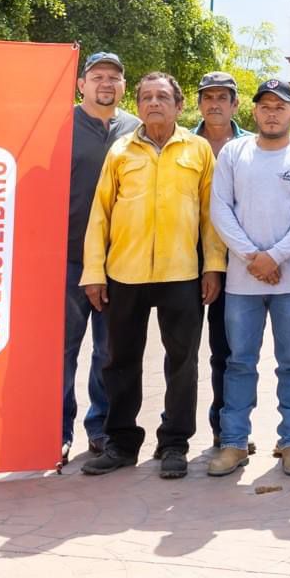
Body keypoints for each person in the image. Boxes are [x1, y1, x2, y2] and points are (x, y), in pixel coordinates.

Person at [80, 72, 225, 479]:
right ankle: (121, 443)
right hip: (124, 272)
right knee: (119, 360)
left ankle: (174, 443)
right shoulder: (121, 151)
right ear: (138, 106)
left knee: (182, 362)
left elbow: (210, 216)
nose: (154, 103)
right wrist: (95, 272)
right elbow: (100, 215)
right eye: (146, 97)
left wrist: (213, 266)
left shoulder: (197, 150)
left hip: (182, 272)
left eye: (163, 97)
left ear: (180, 106)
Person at [207, 80, 290, 477]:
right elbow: (221, 209)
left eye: (281, 106)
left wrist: (273, 257)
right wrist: (251, 257)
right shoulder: (233, 154)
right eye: (265, 106)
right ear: (254, 112)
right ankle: (234, 443)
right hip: (242, 282)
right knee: (239, 362)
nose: (272, 112)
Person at [63, 51, 139, 461]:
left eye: (113, 76)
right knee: (64, 350)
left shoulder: (135, 130)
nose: (105, 83)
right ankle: (56, 430)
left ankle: (102, 428)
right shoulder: (60, 124)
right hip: (68, 258)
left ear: (123, 86)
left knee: (110, 353)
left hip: (119, 261)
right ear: (81, 84)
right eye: (96, 76)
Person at [192, 71, 249, 450]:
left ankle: (226, 428)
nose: (214, 103)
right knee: (181, 351)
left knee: (227, 350)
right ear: (198, 104)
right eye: (207, 97)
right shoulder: (183, 143)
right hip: (185, 258)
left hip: (238, 260)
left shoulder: (251, 146)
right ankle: (175, 433)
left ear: (235, 104)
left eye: (222, 97)